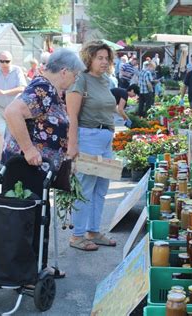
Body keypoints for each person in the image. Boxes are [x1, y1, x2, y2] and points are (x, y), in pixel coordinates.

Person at [3, 48, 85, 278]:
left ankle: (36, 267)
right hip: (26, 167)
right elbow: (12, 112)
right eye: (75, 75)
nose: (76, 79)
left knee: (38, 217)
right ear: (64, 71)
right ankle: (26, 272)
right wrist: (29, 150)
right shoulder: (42, 89)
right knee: (28, 219)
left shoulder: (49, 89)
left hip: (37, 170)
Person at [66, 41, 117, 251]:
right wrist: (73, 144)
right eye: (100, 58)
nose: (104, 62)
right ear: (89, 59)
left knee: (100, 188)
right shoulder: (81, 79)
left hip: (105, 138)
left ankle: (93, 231)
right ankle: (77, 235)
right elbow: (72, 115)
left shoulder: (105, 80)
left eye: (107, 58)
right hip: (87, 136)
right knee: (85, 188)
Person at [0, 51, 27, 169]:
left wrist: (5, 92)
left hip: (13, 108)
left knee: (12, 135)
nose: (4, 64)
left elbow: (22, 88)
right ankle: (2, 161)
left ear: (11, 61)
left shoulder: (17, 71)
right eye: (1, 61)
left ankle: (12, 160)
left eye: (7, 61)